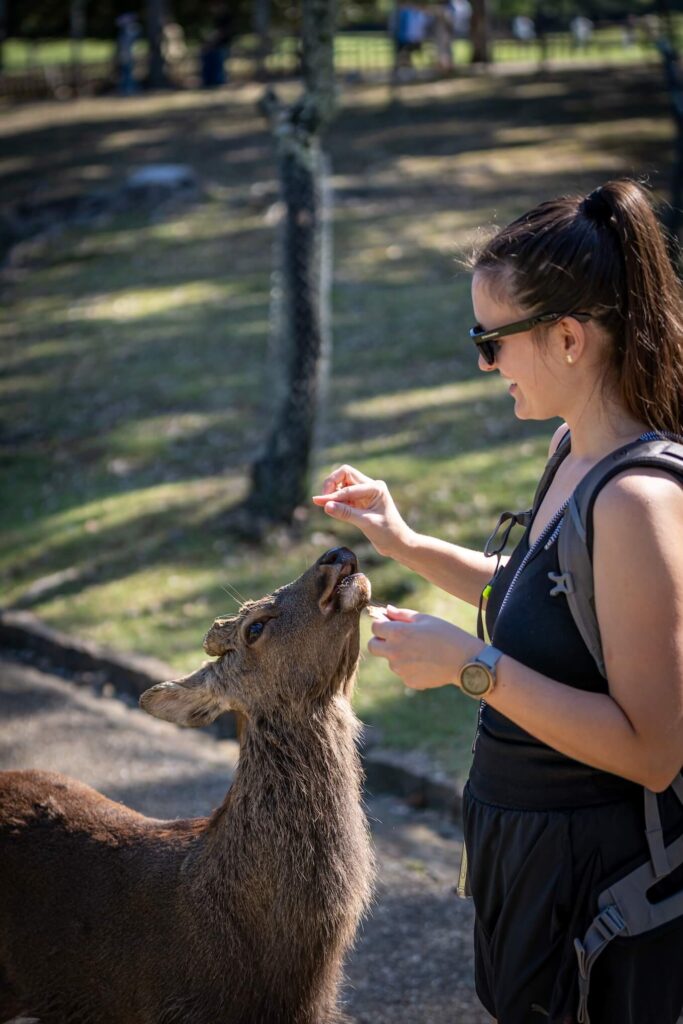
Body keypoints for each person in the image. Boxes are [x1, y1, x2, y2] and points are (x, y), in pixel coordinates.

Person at [312, 179, 683, 1024]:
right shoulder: (571, 450)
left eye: (490, 341)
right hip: (532, 864)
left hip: (599, 892)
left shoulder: (634, 501)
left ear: (565, 338)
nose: (482, 364)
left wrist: (471, 668)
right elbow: (543, 597)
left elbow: (652, 750)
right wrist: (402, 541)